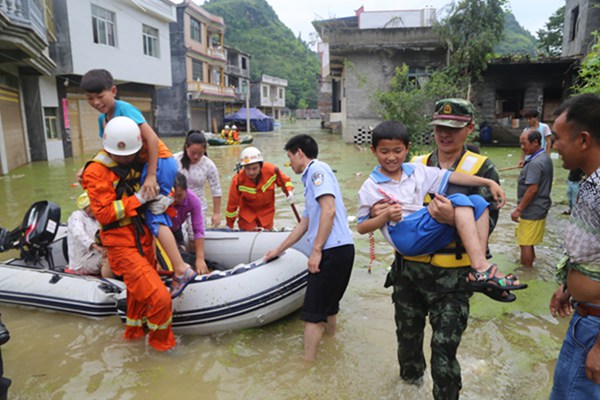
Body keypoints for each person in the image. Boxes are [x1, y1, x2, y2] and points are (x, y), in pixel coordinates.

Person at [370, 99, 503, 399]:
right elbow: (381, 200)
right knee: (407, 346)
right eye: (440, 128)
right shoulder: (411, 163)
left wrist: (453, 217)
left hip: (452, 281)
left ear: (469, 129)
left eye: (454, 128)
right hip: (408, 275)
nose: (445, 134)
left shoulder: (482, 169)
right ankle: (409, 392)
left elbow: (487, 224)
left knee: (443, 353)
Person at [357, 121, 525, 295]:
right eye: (384, 152)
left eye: (397, 151)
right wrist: (384, 217)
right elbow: (361, 227)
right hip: (405, 236)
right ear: (374, 150)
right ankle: (482, 267)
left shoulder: (417, 171)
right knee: (460, 199)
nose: (391, 157)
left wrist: (488, 182)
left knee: (478, 202)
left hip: (424, 232)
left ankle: (480, 269)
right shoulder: (370, 187)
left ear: (407, 148)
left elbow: (451, 176)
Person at [80, 69, 196, 297]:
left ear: (113, 91)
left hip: (159, 162)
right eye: (90, 98)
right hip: (144, 166)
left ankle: (181, 268)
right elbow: (109, 150)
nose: (95, 102)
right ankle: (160, 267)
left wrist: (152, 174)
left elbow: (151, 139)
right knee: (146, 216)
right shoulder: (104, 120)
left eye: (100, 96)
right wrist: (85, 168)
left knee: (154, 215)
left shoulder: (125, 110)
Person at [81, 117, 175, 352]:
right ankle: (161, 348)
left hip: (143, 239)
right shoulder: (95, 171)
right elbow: (102, 214)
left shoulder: (141, 157)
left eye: (128, 154)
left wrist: (164, 196)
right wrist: (138, 200)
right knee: (160, 298)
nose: (124, 159)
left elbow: (162, 156)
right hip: (121, 246)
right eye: (120, 155)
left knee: (136, 294)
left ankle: (132, 337)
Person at [264, 134, 354, 362]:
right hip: (343, 249)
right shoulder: (313, 178)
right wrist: (278, 249)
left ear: (300, 153)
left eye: (290, 157)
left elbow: (329, 210)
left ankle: (307, 366)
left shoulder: (316, 170)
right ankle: (331, 348)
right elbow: (304, 224)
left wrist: (316, 251)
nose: (290, 163)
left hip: (331, 251)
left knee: (313, 314)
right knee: (330, 306)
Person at [548, 93, 600, 399]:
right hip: (585, 318)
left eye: (557, 139)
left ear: (583, 140)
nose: (553, 147)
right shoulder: (589, 183)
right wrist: (568, 285)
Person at [511, 128, 553, 268]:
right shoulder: (543, 157)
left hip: (533, 209)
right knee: (529, 239)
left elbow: (532, 189)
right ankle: (530, 261)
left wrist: (518, 209)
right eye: (520, 144)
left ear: (535, 142)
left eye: (524, 144)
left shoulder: (535, 163)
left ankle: (526, 270)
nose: (522, 147)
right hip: (540, 206)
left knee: (525, 242)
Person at [226, 146, 294, 231]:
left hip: (267, 213)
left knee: (266, 237)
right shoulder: (238, 180)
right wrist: (229, 225)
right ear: (243, 167)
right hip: (247, 216)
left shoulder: (271, 170)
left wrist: (289, 191)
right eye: (247, 168)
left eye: (254, 168)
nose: (251, 172)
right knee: (249, 236)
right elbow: (232, 205)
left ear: (261, 165)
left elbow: (286, 181)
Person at [175, 130, 222, 228]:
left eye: (200, 153)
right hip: (177, 203)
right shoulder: (175, 160)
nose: (196, 157)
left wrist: (216, 213)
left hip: (198, 205)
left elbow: (216, 189)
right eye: (193, 153)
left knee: (195, 234)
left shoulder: (209, 165)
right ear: (186, 148)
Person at [66, 191, 114, 278]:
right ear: (88, 206)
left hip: (94, 255)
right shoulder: (77, 215)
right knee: (109, 259)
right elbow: (78, 233)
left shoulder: (96, 219)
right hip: (82, 261)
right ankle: (109, 284)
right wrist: (95, 246)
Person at [171, 173, 209, 275]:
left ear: (186, 191)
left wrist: (200, 258)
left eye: (180, 195)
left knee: (182, 252)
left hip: (176, 229)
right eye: (174, 196)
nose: (177, 200)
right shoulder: (163, 199)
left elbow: (198, 229)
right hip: (162, 232)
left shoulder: (192, 200)